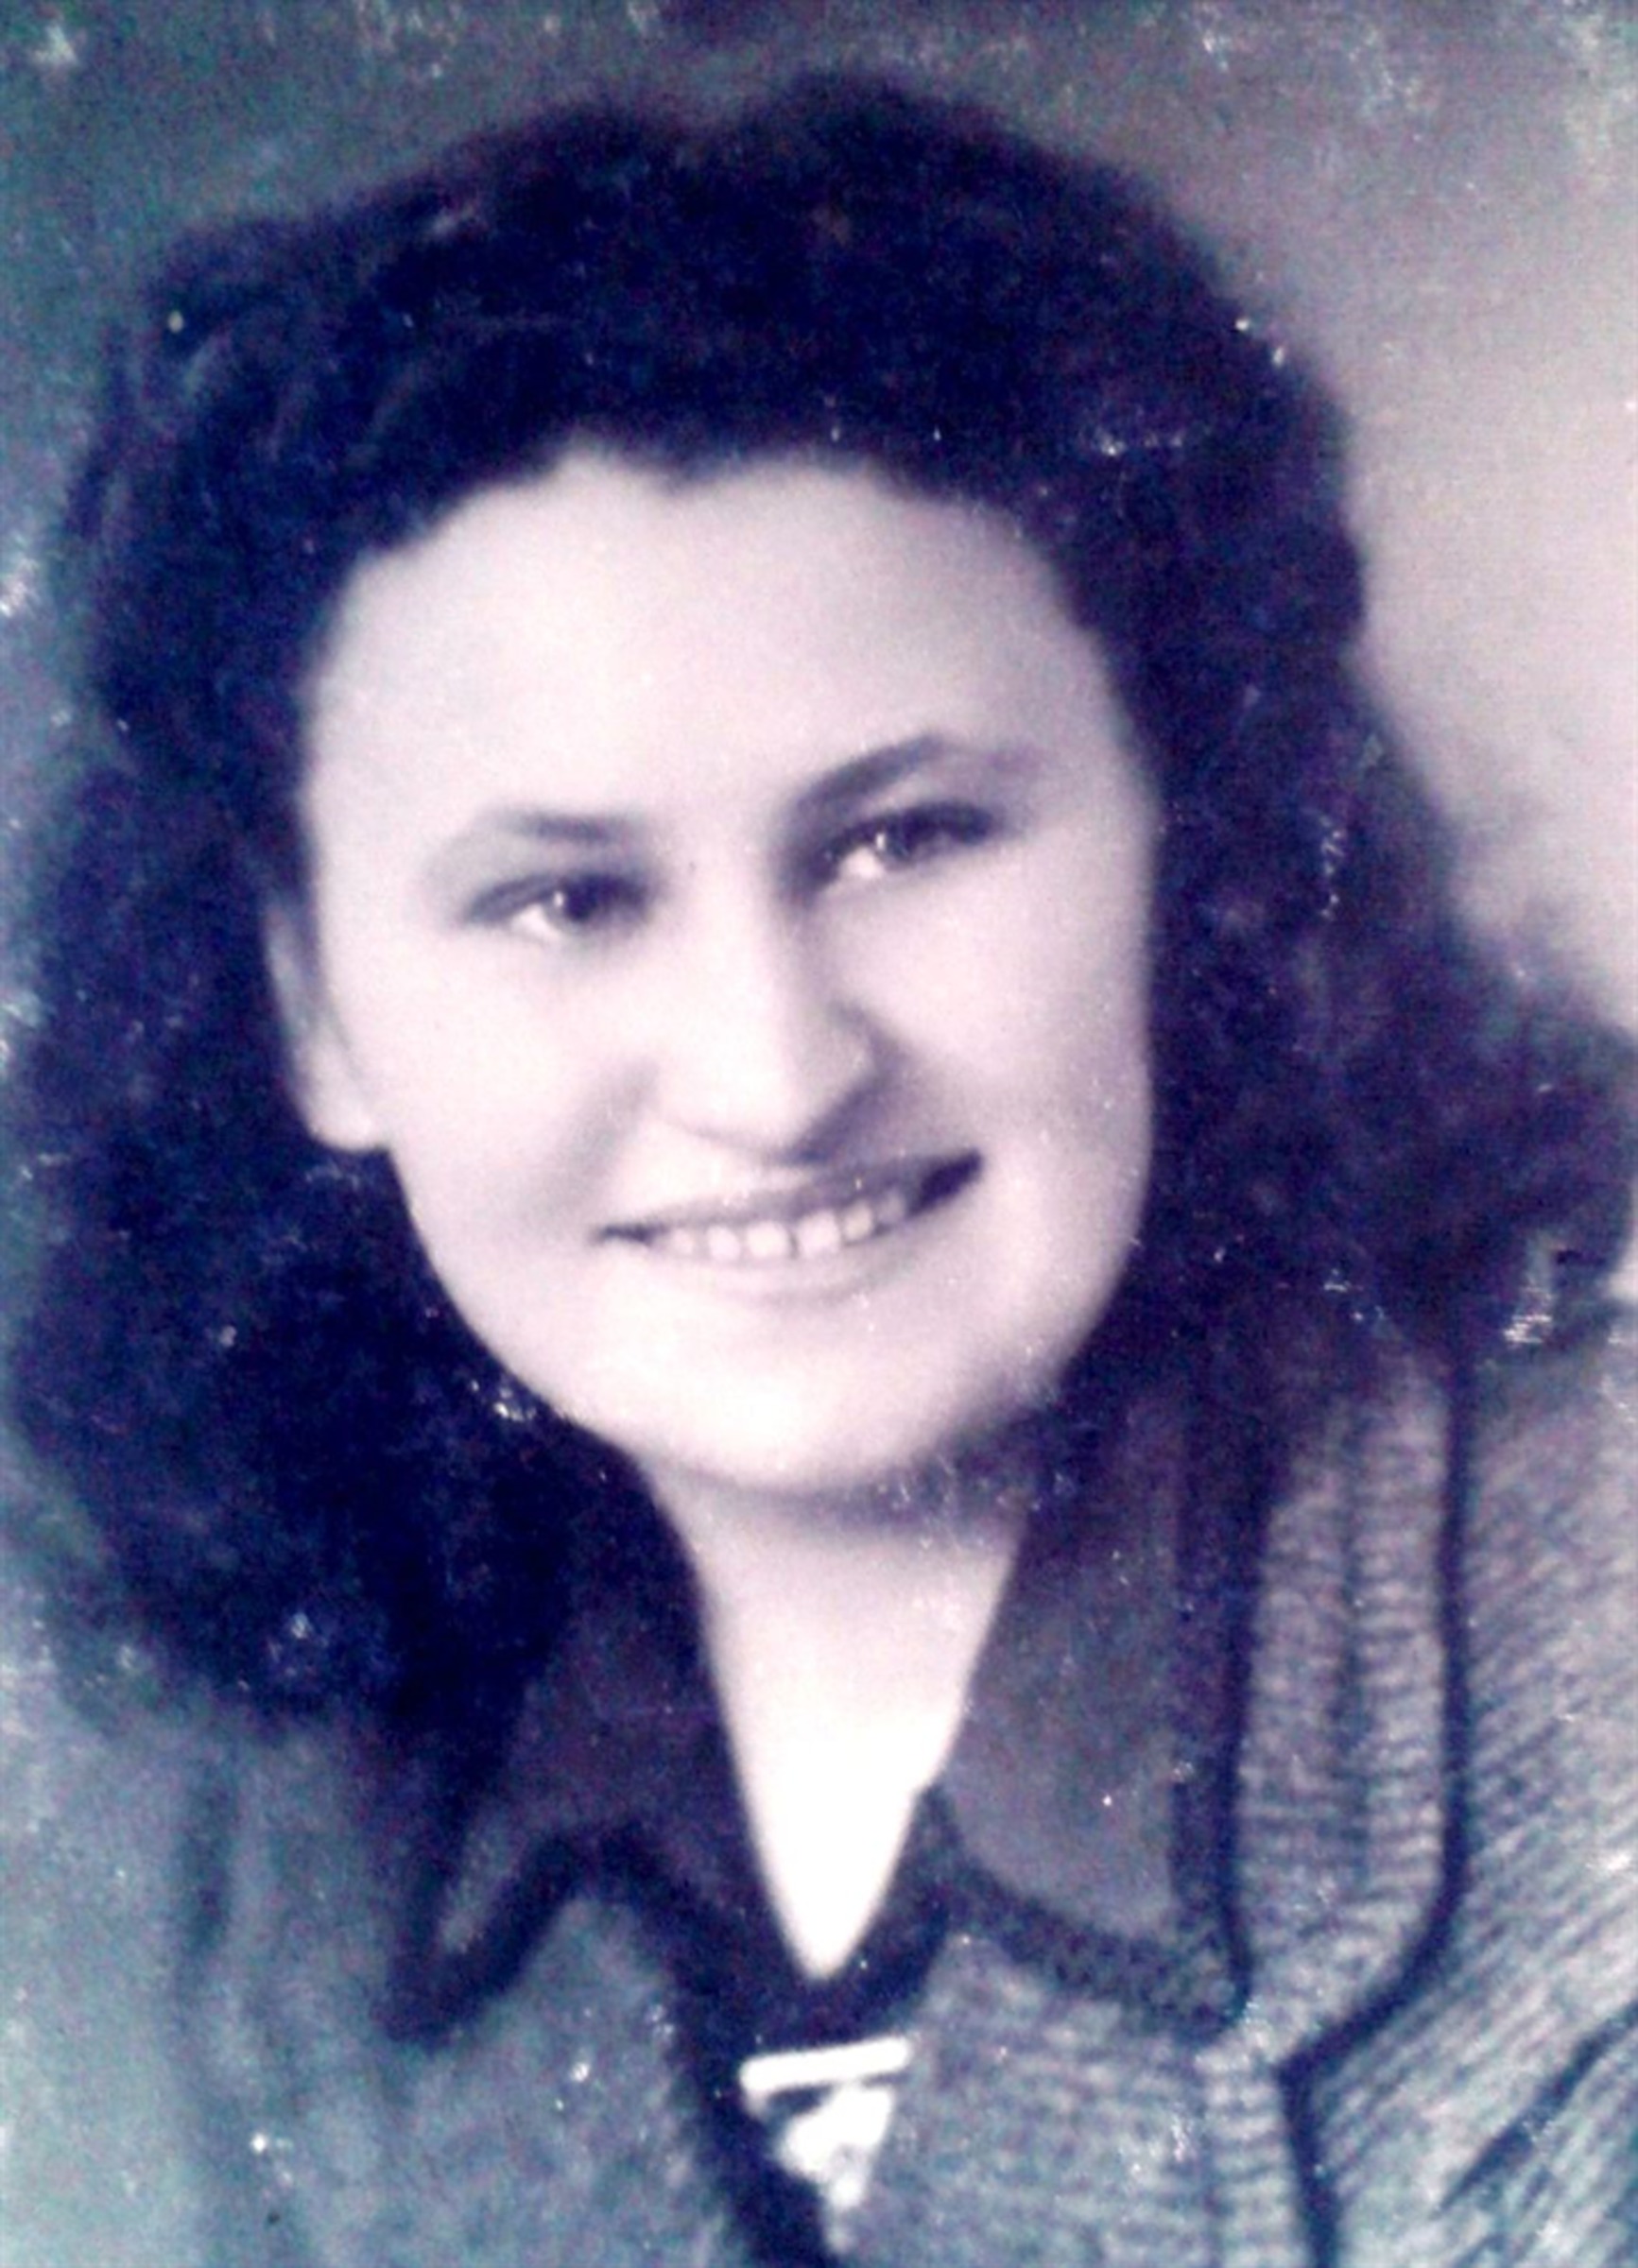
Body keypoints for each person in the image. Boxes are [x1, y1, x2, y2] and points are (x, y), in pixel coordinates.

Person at [2, 74, 1632, 2268]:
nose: (774, 1079)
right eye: (565, 900)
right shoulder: (314, 1913)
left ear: (1186, 855)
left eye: (905, 838)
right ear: (313, 1012)